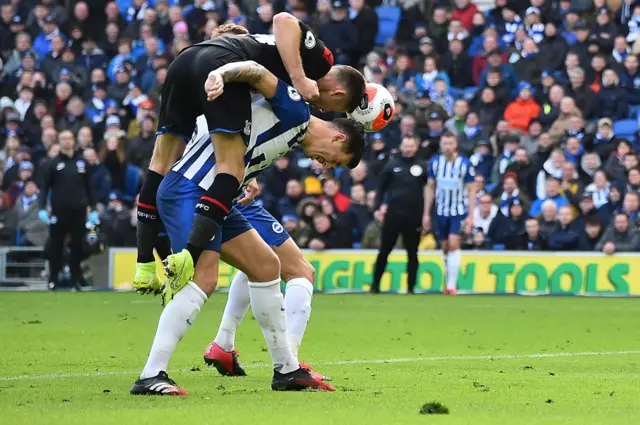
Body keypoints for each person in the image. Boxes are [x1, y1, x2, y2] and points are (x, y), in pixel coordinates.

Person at [130, 62, 364, 396]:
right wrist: (222, 72)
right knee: (205, 278)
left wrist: (247, 177)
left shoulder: (294, 130)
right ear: (339, 137)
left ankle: (286, 369)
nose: (324, 167)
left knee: (268, 265)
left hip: (221, 198)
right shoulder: (295, 111)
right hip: (190, 188)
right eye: (334, 160)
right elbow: (258, 70)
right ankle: (151, 374)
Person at [133, 18, 366, 295]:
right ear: (338, 94)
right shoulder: (318, 63)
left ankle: (144, 265)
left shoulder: (284, 83)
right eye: (333, 107)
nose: (324, 110)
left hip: (185, 61)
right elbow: (283, 20)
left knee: (160, 163)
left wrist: (251, 175)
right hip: (221, 66)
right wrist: (300, 76)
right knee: (230, 171)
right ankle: (188, 256)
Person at [38, 130, 98, 290]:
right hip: (59, 212)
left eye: (69, 138)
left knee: (77, 247)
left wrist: (93, 209)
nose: (66, 141)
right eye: (63, 139)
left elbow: (90, 187)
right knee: (55, 247)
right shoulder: (52, 164)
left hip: (78, 212)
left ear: (73, 140)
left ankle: (75, 281)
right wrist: (42, 208)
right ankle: (53, 280)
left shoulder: (82, 163)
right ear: (59, 141)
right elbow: (44, 187)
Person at [370, 135, 428, 294]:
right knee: (384, 250)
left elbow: (429, 191)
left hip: (414, 216)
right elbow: (381, 188)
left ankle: (411, 287)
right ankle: (375, 285)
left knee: (412, 252)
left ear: (416, 147)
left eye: (411, 146)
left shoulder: (422, 166)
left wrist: (426, 214)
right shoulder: (391, 165)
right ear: (402, 146)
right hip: (393, 214)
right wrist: (377, 207)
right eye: (406, 146)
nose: (408, 149)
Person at [424, 132, 476, 295]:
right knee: (445, 247)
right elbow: (430, 188)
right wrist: (426, 213)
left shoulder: (465, 164)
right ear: (441, 145)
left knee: (454, 244)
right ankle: (448, 281)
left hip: (458, 211)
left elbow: (471, 190)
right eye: (445, 143)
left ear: (455, 145)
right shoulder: (435, 163)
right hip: (441, 211)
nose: (447, 147)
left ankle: (452, 286)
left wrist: (471, 215)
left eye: (450, 143)